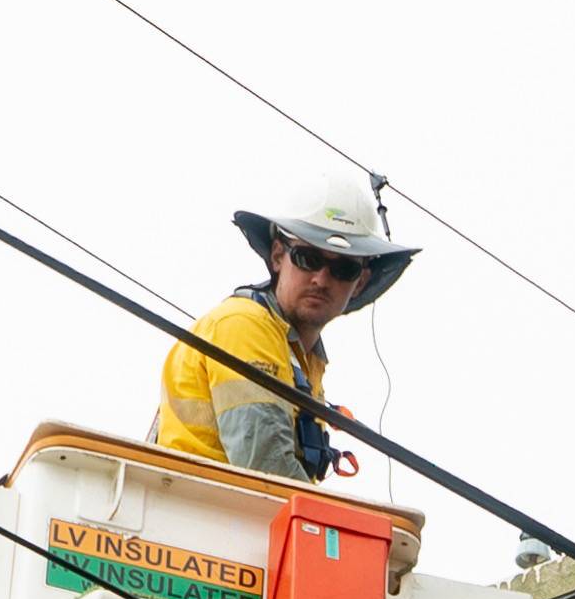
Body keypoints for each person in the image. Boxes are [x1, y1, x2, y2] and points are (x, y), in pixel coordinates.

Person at [152, 177, 417, 482]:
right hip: (202, 515)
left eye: (344, 269)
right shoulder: (245, 324)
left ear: (360, 282)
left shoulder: (303, 358)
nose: (321, 279)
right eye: (308, 258)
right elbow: (267, 470)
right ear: (278, 256)